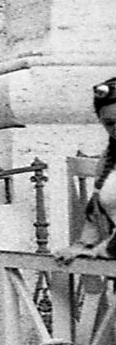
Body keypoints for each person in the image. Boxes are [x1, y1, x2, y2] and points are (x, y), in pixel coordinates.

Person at [56, 77, 116, 261]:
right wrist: (83, 244)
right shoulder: (109, 158)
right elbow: (97, 207)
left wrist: (103, 250)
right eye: (110, 123)